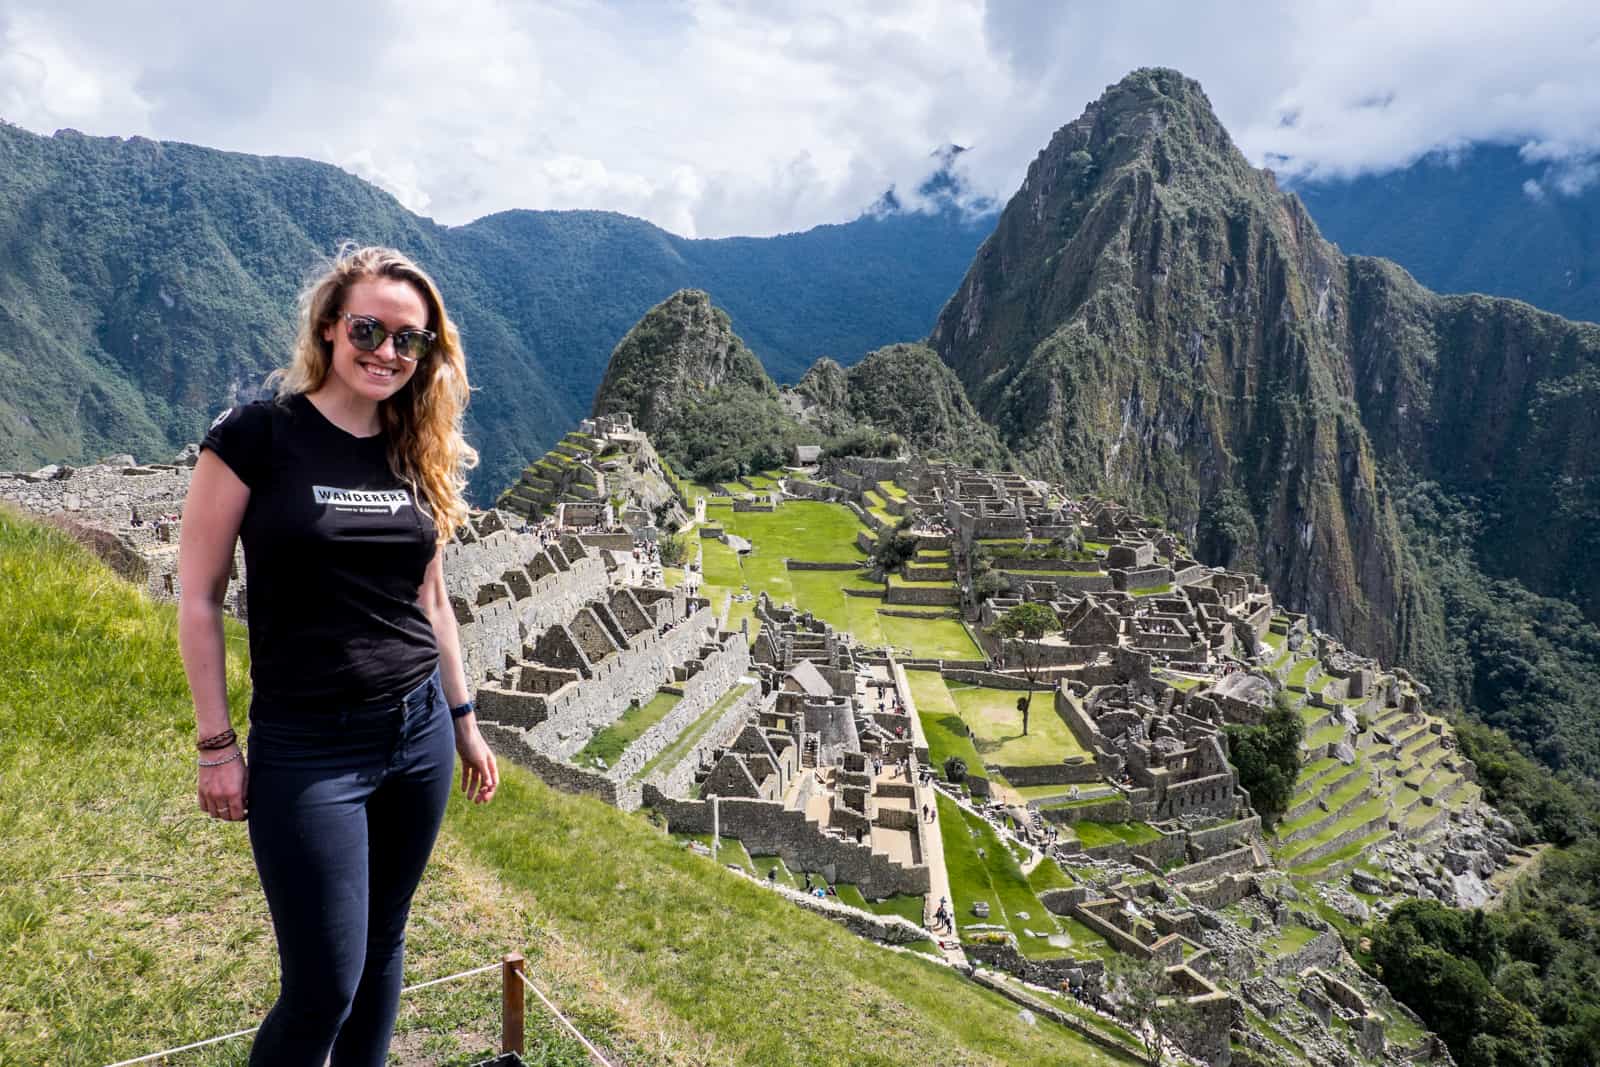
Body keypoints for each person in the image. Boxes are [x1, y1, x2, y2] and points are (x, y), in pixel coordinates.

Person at [177, 245, 499, 1067]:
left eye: (409, 340)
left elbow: (432, 601)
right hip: (309, 743)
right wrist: (217, 745)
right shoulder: (256, 435)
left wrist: (464, 721)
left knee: (384, 944)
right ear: (329, 327)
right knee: (322, 983)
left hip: (417, 731)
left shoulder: (411, 446)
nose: (387, 351)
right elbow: (200, 597)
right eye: (369, 328)